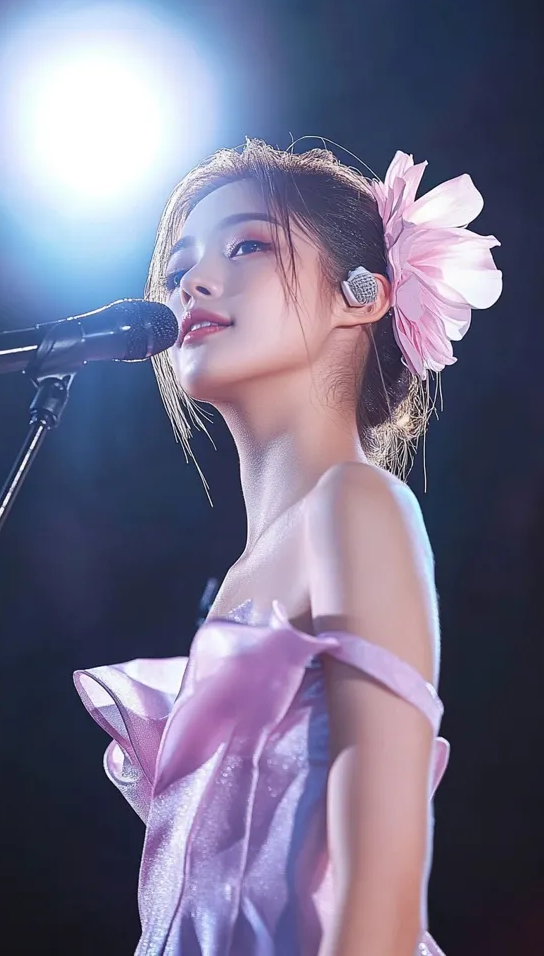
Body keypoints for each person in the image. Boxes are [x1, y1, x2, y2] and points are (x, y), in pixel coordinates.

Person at [74, 141, 501, 956]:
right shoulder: (238, 581)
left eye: (248, 246)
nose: (192, 284)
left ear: (363, 294)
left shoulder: (355, 505)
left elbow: (382, 872)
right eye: (176, 271)